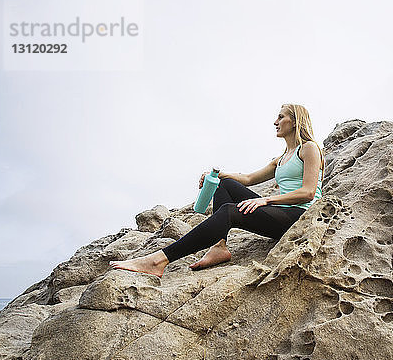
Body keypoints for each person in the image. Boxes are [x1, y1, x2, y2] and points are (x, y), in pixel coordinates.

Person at [109, 104, 324, 277]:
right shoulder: (280, 159)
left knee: (230, 211)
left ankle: (158, 261)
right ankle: (219, 246)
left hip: (301, 217)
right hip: (282, 216)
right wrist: (217, 176)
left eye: (281, 117)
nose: (275, 122)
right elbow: (248, 179)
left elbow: (308, 192)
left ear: (295, 121)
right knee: (225, 185)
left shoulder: (309, 148)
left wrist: (265, 200)